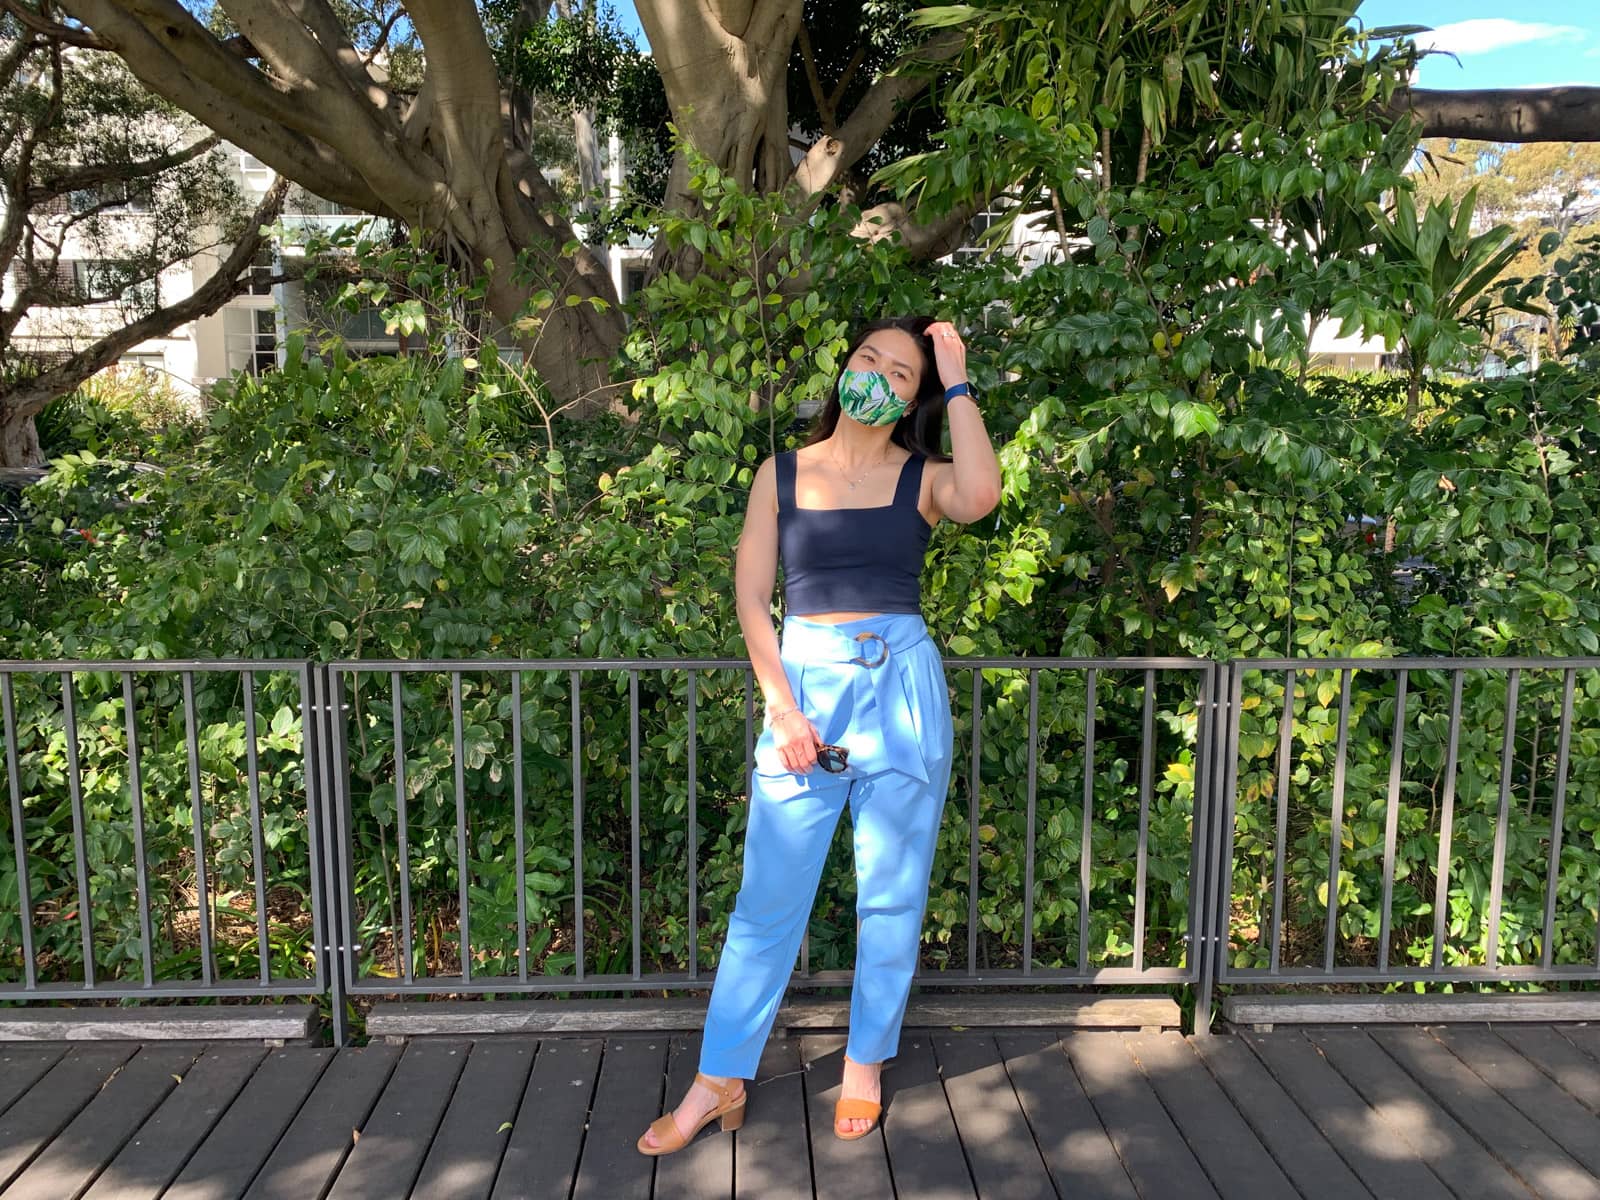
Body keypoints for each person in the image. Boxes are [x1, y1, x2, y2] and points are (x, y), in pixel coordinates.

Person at [637, 317, 1002, 1154]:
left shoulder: (924, 477)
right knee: (765, 906)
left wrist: (959, 379)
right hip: (803, 691)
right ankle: (717, 1077)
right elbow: (751, 595)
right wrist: (782, 707)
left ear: (917, 399)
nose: (877, 374)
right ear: (846, 367)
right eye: (869, 358)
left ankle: (865, 1064)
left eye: (902, 373)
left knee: (890, 897)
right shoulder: (783, 474)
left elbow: (981, 496)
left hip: (900, 692)